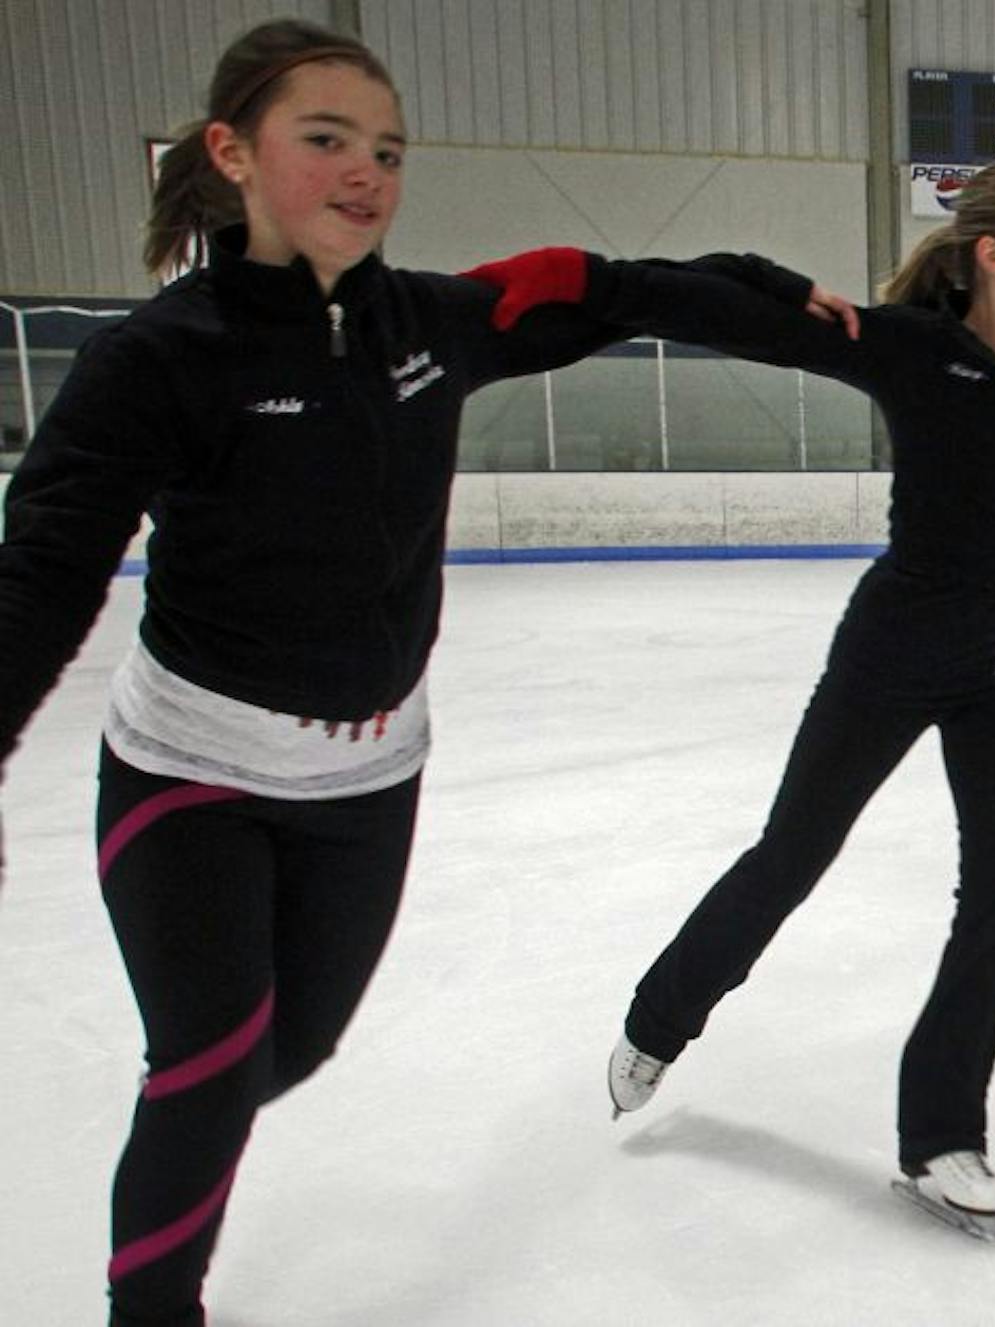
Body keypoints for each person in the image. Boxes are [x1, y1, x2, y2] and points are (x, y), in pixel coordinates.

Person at [0, 20, 830, 1326]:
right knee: (210, 1061)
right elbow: (40, 574)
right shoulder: (160, 359)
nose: (365, 170)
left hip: (367, 780)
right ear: (231, 152)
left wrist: (769, 289)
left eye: (384, 147)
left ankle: (194, 1121)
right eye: (324, 138)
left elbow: (603, 283)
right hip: (189, 774)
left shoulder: (436, 322)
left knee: (296, 1046)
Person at [473, 155, 995, 1234]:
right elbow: (735, 315)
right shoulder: (913, 352)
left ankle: (942, 1131)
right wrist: (592, 278)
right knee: (791, 856)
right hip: (894, 651)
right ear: (994, 255)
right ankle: (659, 1022)